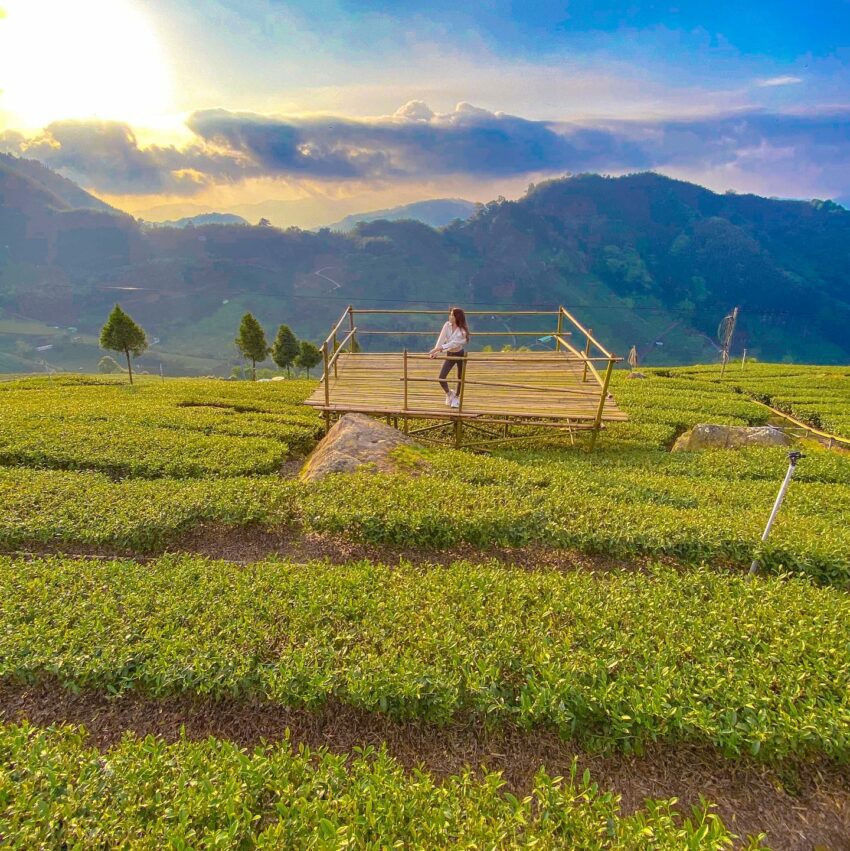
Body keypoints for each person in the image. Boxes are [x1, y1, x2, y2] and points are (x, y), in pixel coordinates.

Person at [429, 307, 470, 408]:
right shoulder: (447, 325)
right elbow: (441, 338)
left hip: (460, 354)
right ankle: (449, 393)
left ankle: (456, 397)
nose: (450, 317)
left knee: (460, 377)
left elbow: (452, 344)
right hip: (450, 354)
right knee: (441, 377)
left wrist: (438, 349)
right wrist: (436, 351)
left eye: (452, 315)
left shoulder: (462, 332)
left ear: (457, 317)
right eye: (450, 314)